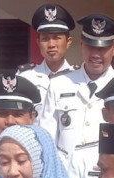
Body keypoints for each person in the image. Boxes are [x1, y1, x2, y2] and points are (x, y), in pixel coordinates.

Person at [44, 13, 114, 158]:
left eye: (102, 48)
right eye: (90, 46)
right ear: (81, 44)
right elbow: (47, 139)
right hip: (65, 176)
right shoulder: (59, 84)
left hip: (104, 176)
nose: (96, 54)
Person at [18, 3, 78, 131]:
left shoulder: (79, 79)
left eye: (56, 38)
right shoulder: (24, 79)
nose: (51, 44)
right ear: (38, 42)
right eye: (45, 39)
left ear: (68, 42)